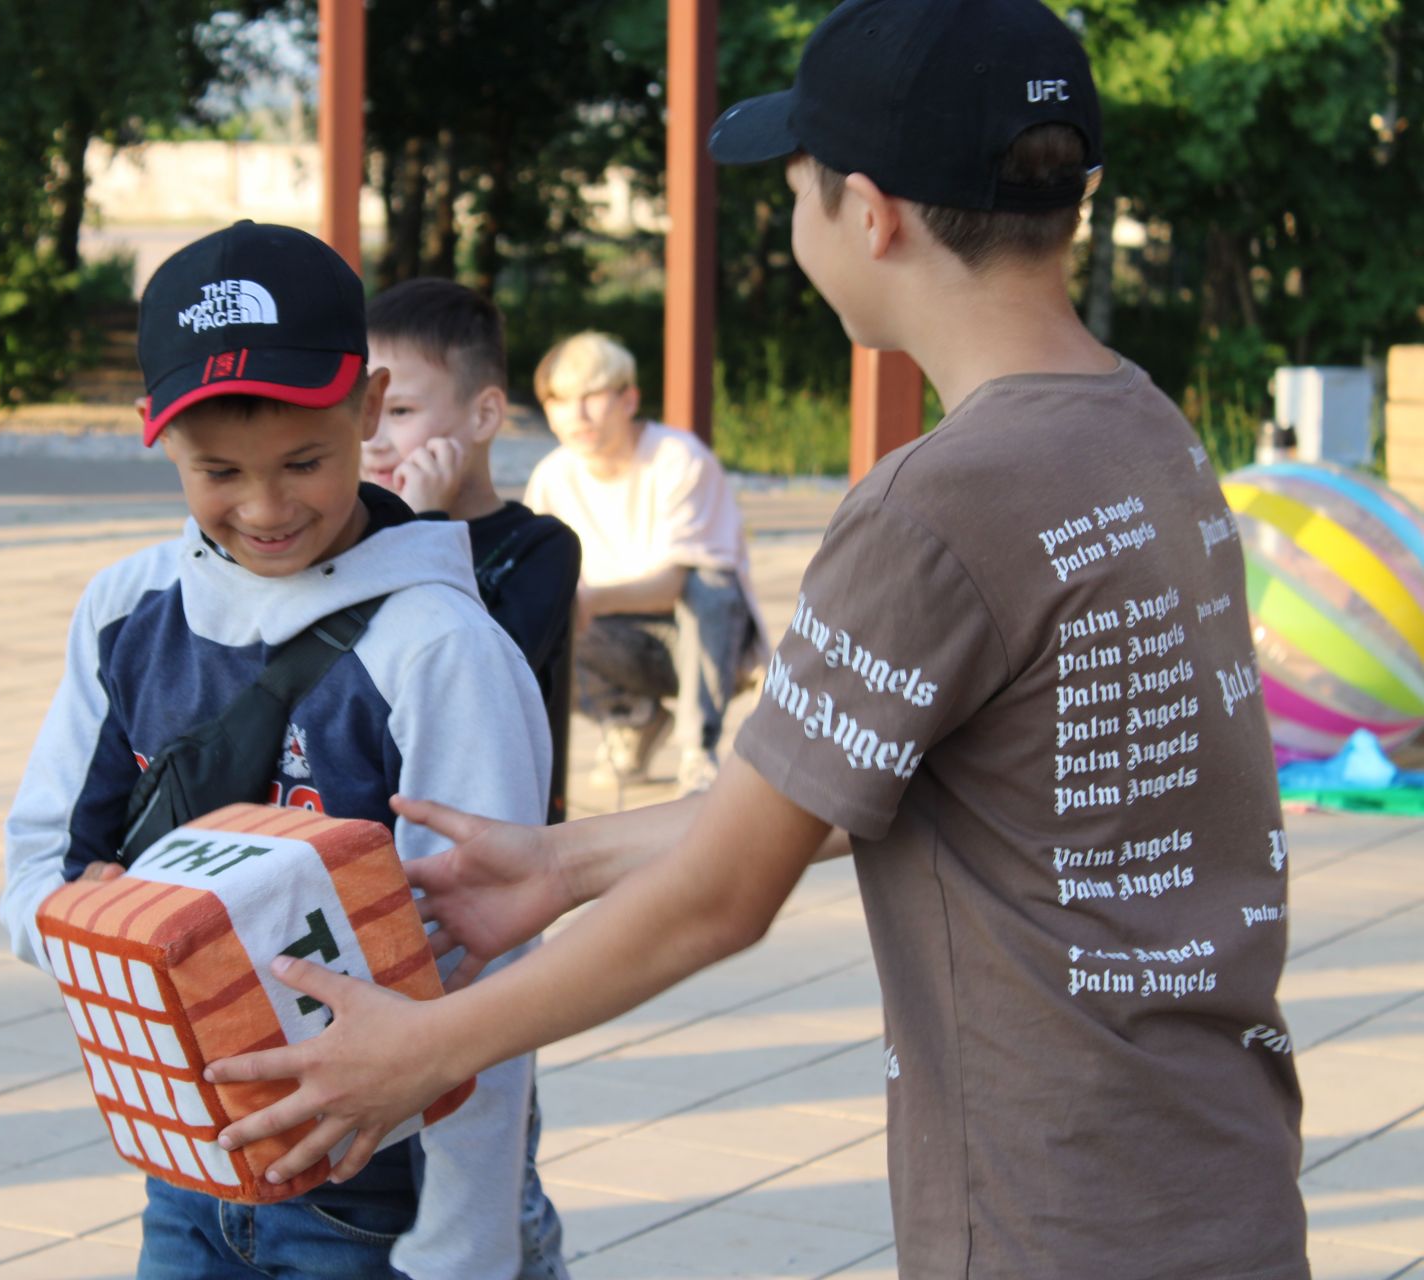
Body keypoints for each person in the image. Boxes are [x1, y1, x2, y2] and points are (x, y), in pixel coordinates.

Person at [202, 5, 1312, 1277]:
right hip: (1213, 1169)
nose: (791, 223)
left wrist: (422, 1048)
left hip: (1050, 1203)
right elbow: (842, 787)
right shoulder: (1143, 429)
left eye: (794, 188)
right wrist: (561, 865)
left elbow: (727, 894)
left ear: (872, 214)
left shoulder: (934, 505)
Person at [0, 221, 566, 1280]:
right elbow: (36, 870)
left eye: (305, 460)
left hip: (378, 1201)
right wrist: (109, 925)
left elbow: (494, 968)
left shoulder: (441, 650)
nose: (265, 507)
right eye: (218, 470)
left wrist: (464, 1241)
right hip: (191, 1168)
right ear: (151, 433)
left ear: (366, 406)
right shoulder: (128, 610)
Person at [364, 277, 582, 823]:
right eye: (362, 411)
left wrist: (422, 527)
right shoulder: (347, 532)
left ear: (483, 416)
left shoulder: (541, 547)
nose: (373, 439)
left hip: (491, 839)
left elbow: (478, 680)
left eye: (400, 412)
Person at [524, 331, 767, 795]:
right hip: (614, 636)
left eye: (592, 396)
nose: (577, 414)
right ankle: (634, 719)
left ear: (629, 399)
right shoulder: (551, 478)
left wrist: (588, 599)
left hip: (705, 642)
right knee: (534, 614)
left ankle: (699, 749)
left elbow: (676, 582)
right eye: (561, 400)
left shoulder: (678, 458)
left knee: (710, 582)